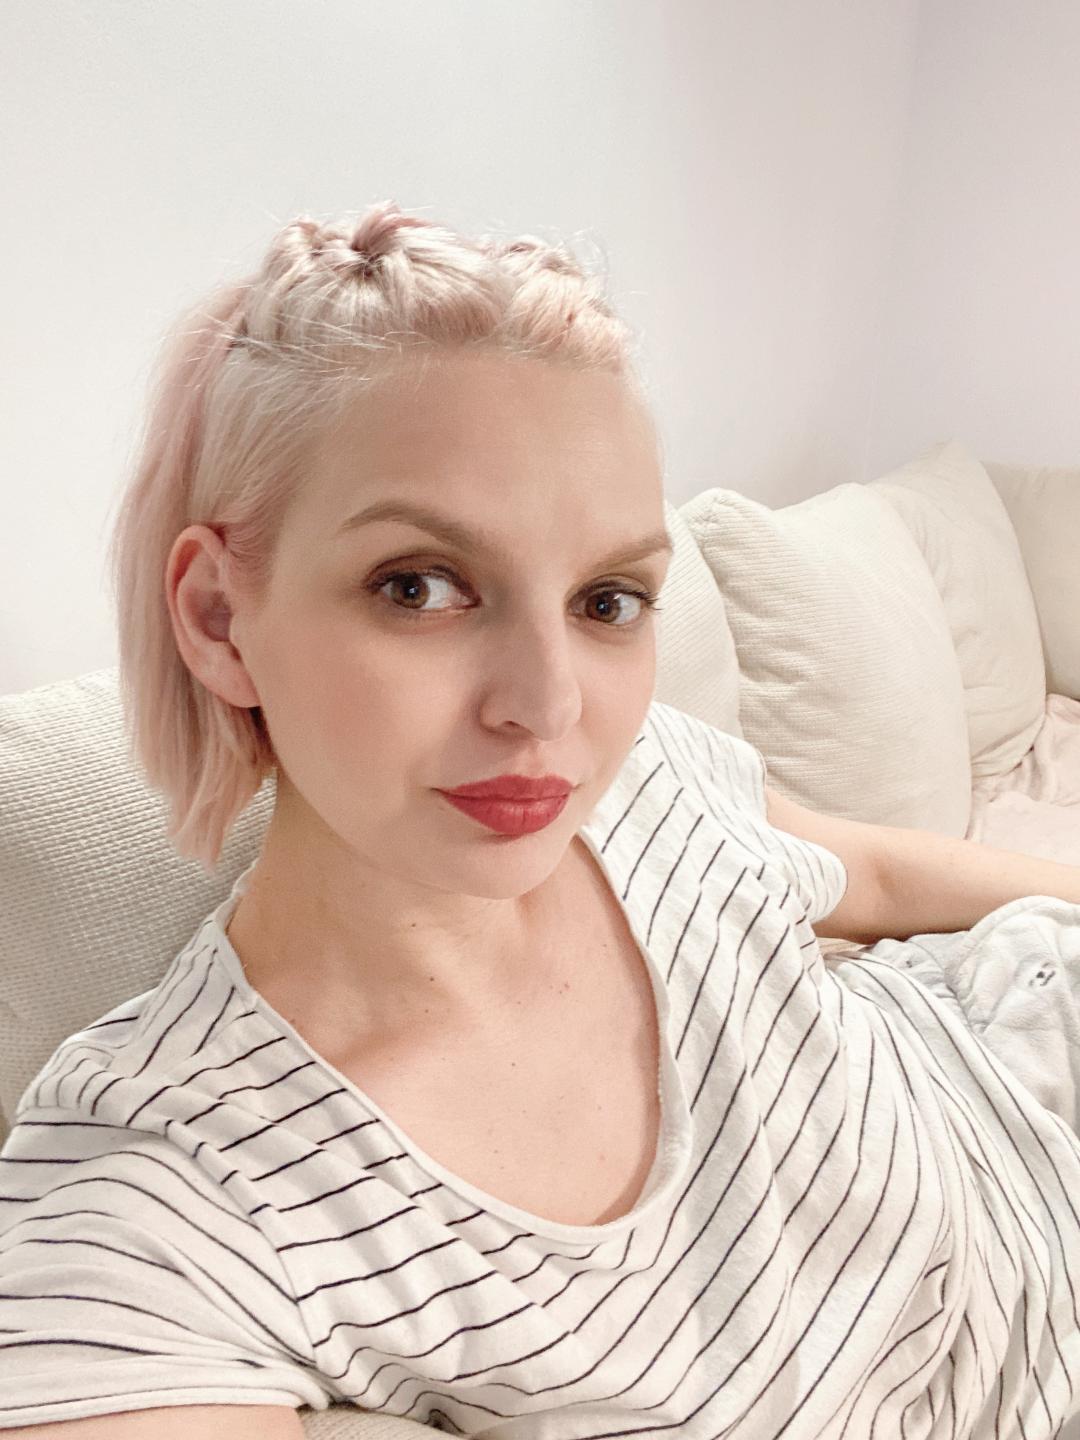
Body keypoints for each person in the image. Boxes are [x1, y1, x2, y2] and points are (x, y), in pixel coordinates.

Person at [1, 202, 1079, 1440]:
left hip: (1016, 1045)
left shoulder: (647, 777)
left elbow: (870, 877)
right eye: (421, 586)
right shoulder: (168, 1187)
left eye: (607, 599)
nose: (551, 707)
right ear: (216, 617)